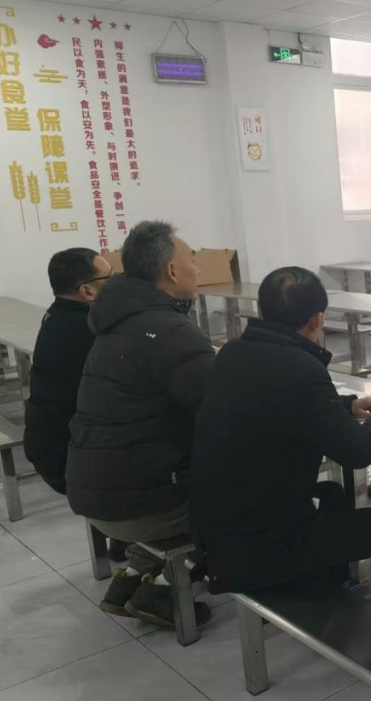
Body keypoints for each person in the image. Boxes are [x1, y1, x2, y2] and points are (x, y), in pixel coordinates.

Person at [190, 267, 371, 646]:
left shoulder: (233, 353)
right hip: (261, 548)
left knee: (333, 493)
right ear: (318, 319)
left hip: (217, 533)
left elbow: (276, 403)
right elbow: (358, 451)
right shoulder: (301, 368)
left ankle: (327, 580)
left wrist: (344, 406)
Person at [67, 221, 214, 628]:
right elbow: (225, 411)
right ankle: (163, 592)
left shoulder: (116, 322)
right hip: (139, 505)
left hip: (95, 495)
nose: (198, 269)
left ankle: (130, 578)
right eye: (192, 260)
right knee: (250, 486)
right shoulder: (169, 329)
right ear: (172, 270)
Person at [23, 249, 112, 497]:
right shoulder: (88, 329)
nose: (117, 284)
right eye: (110, 277)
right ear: (87, 291)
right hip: (69, 457)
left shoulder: (58, 314)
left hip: (48, 444)